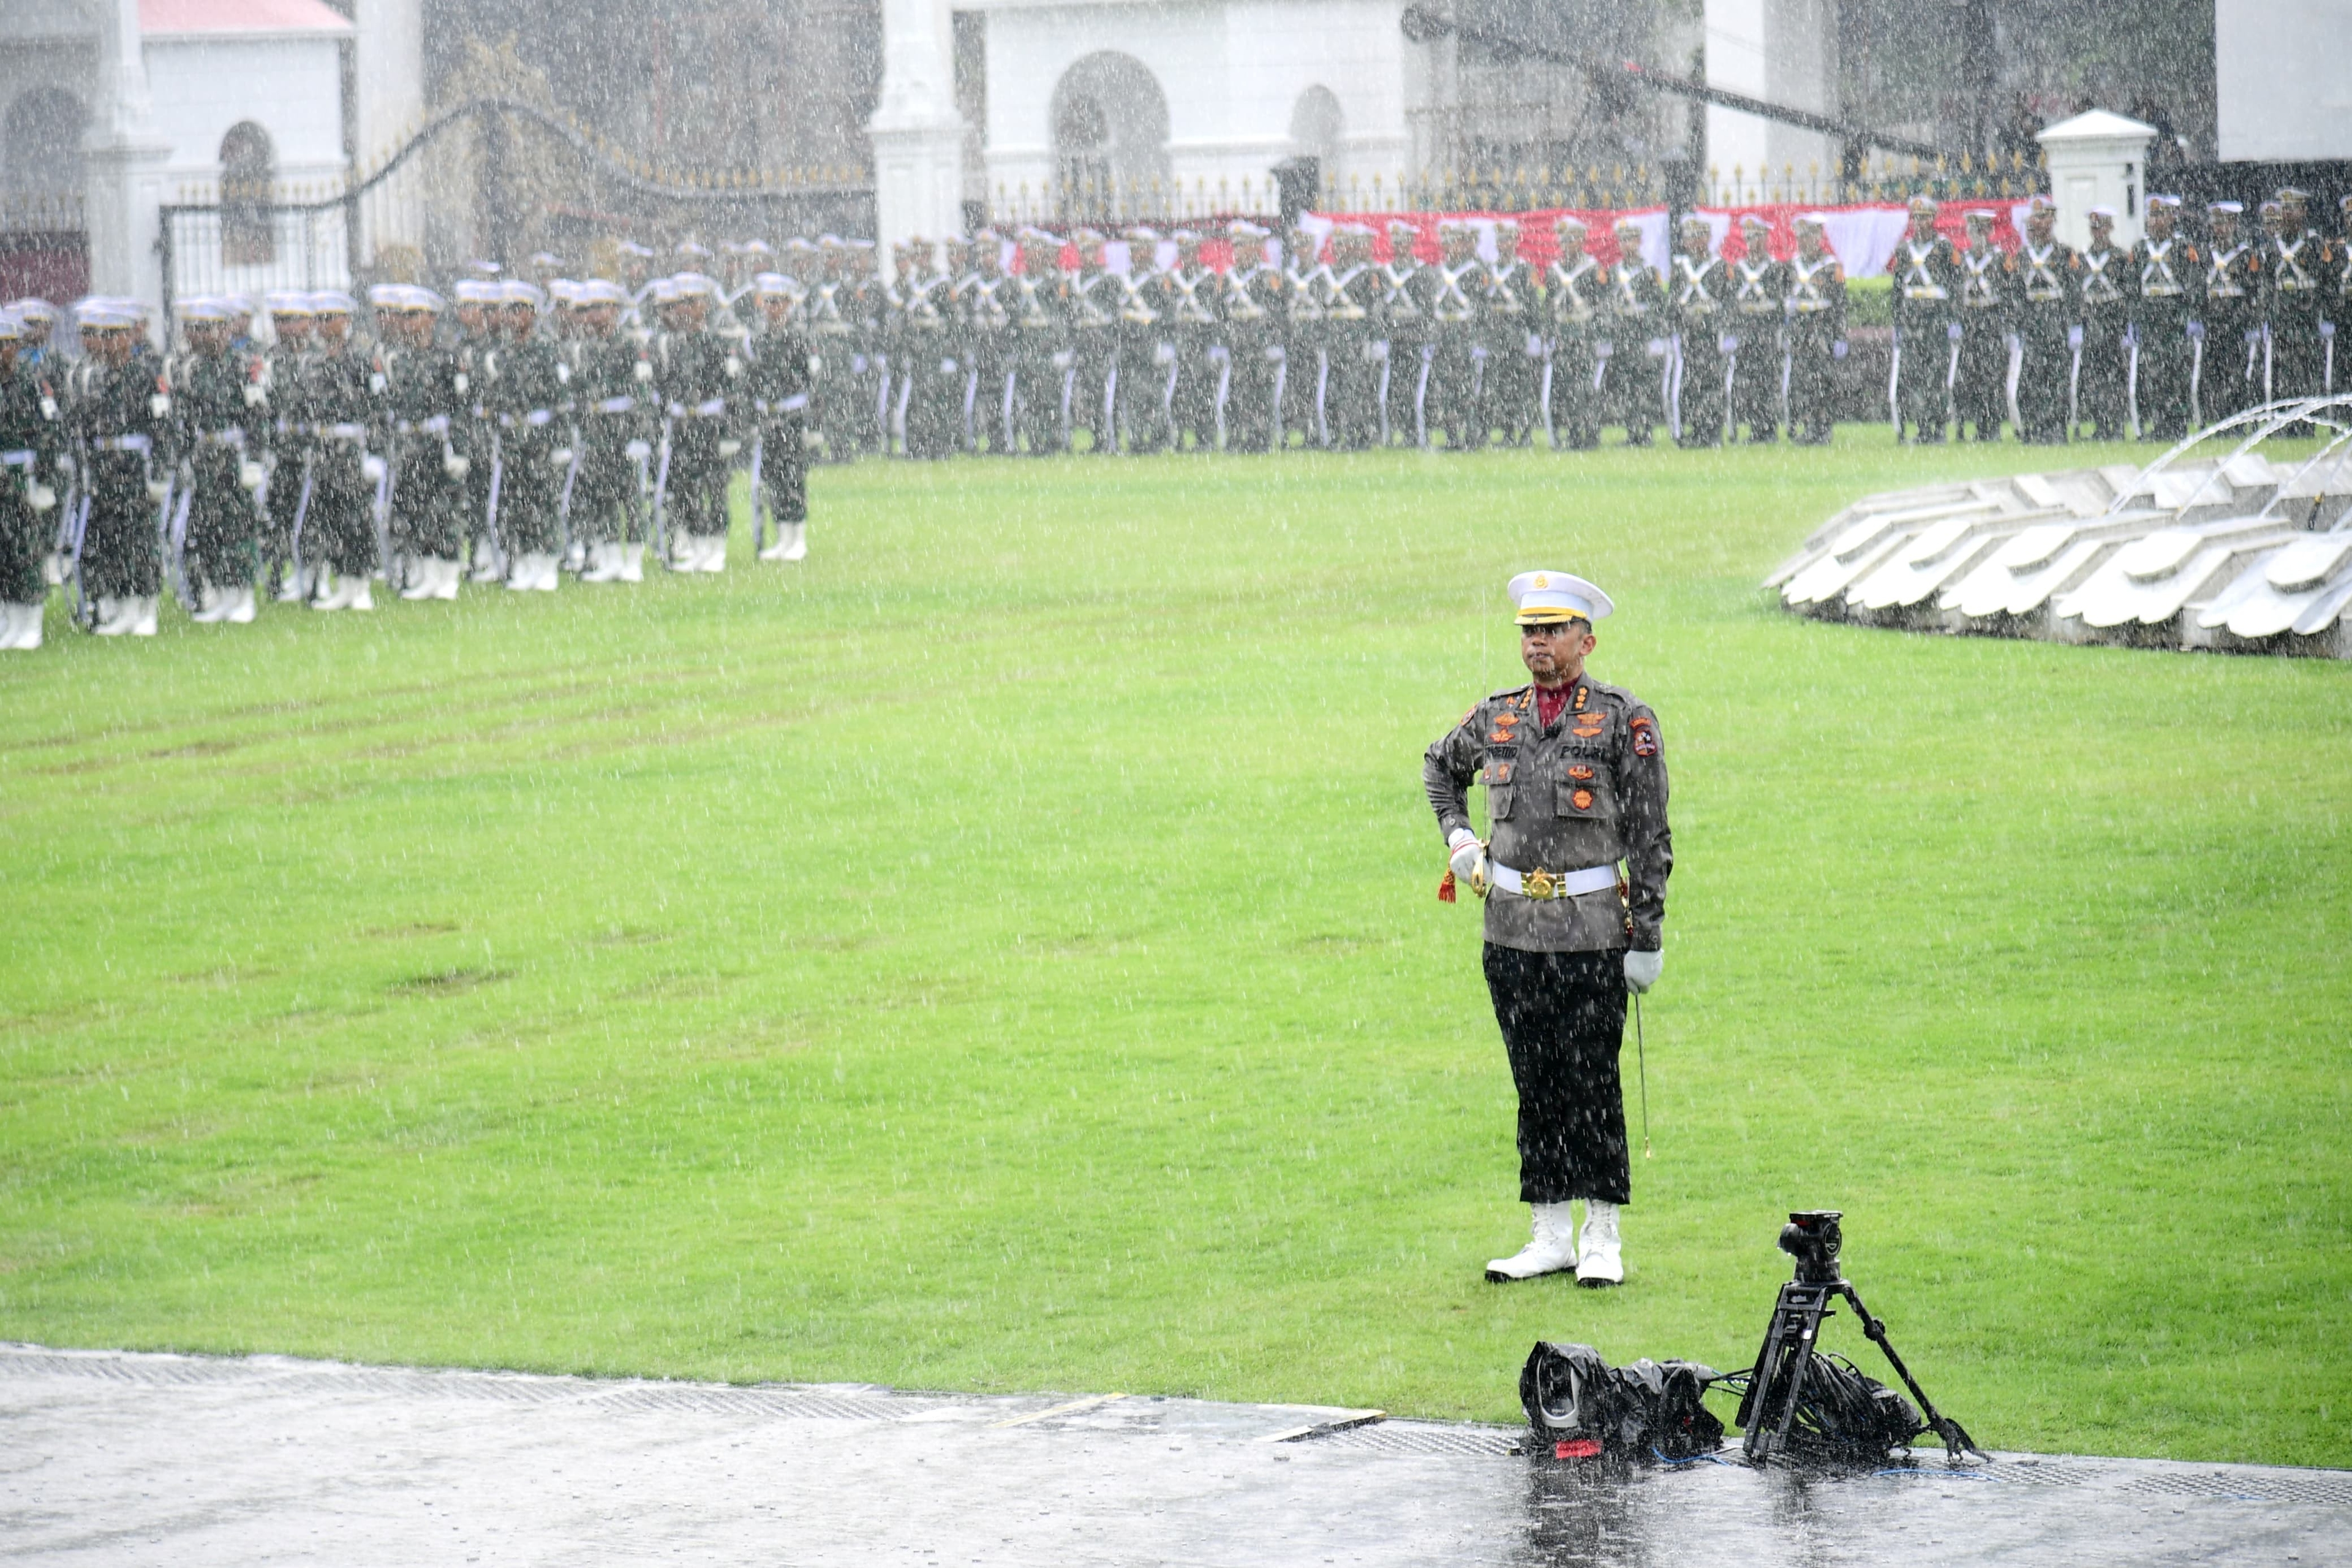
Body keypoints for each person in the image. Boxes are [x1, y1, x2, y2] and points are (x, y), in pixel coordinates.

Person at [1423, 571, 1672, 1287]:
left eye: (1553, 629)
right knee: (1534, 1082)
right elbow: (1441, 767)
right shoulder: (1497, 718)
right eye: (1529, 631)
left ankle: (1603, 1234)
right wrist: (1460, 839)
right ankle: (1549, 1231)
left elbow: (1652, 836)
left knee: (1593, 1084)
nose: (1537, 642)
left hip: (1593, 932)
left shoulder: (1625, 719)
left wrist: (1647, 935)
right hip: (1510, 934)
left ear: (1585, 640)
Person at [63, 300, 171, 635]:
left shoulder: (146, 376)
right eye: (103, 336)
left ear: (129, 337)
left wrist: (159, 473)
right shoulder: (92, 378)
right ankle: (125, 608)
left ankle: (147, 609)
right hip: (104, 468)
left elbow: (162, 427)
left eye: (115, 336)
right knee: (113, 541)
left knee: (142, 539)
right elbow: (80, 427)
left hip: (135, 467)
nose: (109, 343)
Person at [170, 296, 269, 621]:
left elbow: (257, 418)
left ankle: (242, 597)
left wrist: (254, 460)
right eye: (195, 329)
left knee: (239, 528)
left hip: (234, 456)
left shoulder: (244, 366)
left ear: (226, 330)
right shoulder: (186, 369)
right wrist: (181, 459)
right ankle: (220, 595)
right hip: (203, 457)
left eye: (209, 329)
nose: (202, 336)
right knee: (208, 529)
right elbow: (180, 420)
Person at [650, 273, 741, 572]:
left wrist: (731, 433)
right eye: (681, 303)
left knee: (714, 488)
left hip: (710, 425)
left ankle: (716, 545)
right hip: (682, 427)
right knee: (686, 487)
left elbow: (732, 392)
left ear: (704, 306)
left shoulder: (718, 343)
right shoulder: (672, 346)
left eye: (692, 303)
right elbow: (664, 389)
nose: (685, 310)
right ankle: (696, 542)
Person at [566, 279, 655, 582]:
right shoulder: (586, 349)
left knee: (630, 497)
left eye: (600, 308)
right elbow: (578, 395)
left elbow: (643, 394)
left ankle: (632, 560)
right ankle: (609, 558)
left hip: (623, 429)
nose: (593, 315)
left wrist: (642, 435)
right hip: (596, 431)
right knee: (599, 497)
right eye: (589, 309)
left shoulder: (631, 345)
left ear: (615, 311)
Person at [302, 291, 378, 611]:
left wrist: (374, 453)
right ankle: (343, 583)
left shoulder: (361, 359)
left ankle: (361, 585)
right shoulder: (313, 361)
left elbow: (376, 408)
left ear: (346, 320)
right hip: (325, 450)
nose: (324, 325)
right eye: (320, 319)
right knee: (330, 519)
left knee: (357, 519)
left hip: (352, 449)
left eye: (331, 318)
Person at [0, 310, 64, 649]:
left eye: (5, 346)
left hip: (23, 477)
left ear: (16, 347)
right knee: (3, 554)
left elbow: (51, 434)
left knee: (26, 551)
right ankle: (11, 622)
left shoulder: (33, 383)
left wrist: (47, 483)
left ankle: (31, 624)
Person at [746, 273, 813, 560]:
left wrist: (815, 424)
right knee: (774, 477)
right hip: (769, 417)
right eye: (769, 302)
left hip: (792, 415)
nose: (773, 308)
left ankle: (798, 538)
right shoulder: (758, 339)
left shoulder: (798, 337)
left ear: (788, 304)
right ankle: (783, 537)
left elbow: (812, 382)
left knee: (793, 476)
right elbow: (752, 383)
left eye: (778, 302)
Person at [2008, 195, 2079, 444]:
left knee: (2056, 376)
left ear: (2051, 220)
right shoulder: (2022, 256)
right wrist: (2016, 325)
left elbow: (2073, 291)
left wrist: (2074, 324)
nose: (2036, 223)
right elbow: (2015, 293)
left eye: (2042, 217)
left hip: (2056, 320)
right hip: (2032, 322)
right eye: (2034, 218)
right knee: (2032, 377)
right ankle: (2035, 426)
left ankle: (2056, 427)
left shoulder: (2064, 253)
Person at [1887, 196, 1958, 442]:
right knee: (1914, 376)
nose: (1920, 222)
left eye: (1925, 217)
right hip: (1912, 320)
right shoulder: (1904, 250)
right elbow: (1897, 289)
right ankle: (1921, 427)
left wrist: (1954, 320)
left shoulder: (1945, 247)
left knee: (1936, 375)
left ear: (1933, 219)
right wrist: (1897, 321)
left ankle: (1937, 428)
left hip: (1936, 320)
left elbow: (1955, 286)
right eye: (1916, 218)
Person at [2130, 195, 2200, 442]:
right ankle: (2160, 425)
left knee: (2177, 374)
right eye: (2152, 215)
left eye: (2161, 215)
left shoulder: (2184, 248)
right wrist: (2134, 319)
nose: (2155, 221)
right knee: (2153, 375)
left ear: (2172, 218)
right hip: (2151, 319)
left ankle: (2177, 425)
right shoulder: (2139, 249)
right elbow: (2132, 288)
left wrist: (2192, 317)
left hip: (2176, 318)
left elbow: (2194, 285)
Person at [1219, 221, 1285, 453]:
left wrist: (1273, 341)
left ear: (1257, 247)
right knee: (1237, 395)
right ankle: (1237, 436)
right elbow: (1221, 313)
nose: (1240, 251)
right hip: (1238, 345)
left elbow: (1278, 312)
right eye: (1237, 246)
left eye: (1245, 245)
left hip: (1259, 345)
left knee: (1260, 394)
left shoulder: (1268, 276)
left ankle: (1261, 437)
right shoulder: (1228, 277)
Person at [1782, 214, 1847, 447]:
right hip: (1800, 333)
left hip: (1823, 332)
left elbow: (1840, 305)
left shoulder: (1831, 267)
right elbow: (1784, 298)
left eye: (1809, 236)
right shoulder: (1791, 266)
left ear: (1819, 237)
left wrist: (1840, 336)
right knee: (1802, 383)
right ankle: (1809, 425)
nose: (1805, 241)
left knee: (1824, 382)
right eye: (1801, 237)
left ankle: (1824, 427)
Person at [1542, 216, 1604, 451]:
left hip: (1583, 333)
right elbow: (1549, 305)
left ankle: (1589, 434)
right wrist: (1547, 333)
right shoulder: (1554, 270)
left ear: (1582, 240)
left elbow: (1599, 304)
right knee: (1563, 389)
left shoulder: (1592, 269)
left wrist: (1597, 334)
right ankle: (1571, 433)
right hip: (1562, 334)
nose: (1568, 244)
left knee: (1584, 388)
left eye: (1573, 239)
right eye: (1565, 240)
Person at [1604, 220, 1667, 446]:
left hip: (1641, 336)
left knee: (1644, 386)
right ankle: (1632, 431)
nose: (1626, 244)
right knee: (1626, 387)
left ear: (1639, 242)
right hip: (1622, 335)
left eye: (1630, 240)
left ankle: (1646, 431)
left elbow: (1659, 305)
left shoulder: (1649, 272)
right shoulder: (1613, 272)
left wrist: (1652, 329)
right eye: (1623, 240)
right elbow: (1607, 304)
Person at [1668, 216, 1728, 447]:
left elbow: (1726, 300)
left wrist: (1716, 321)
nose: (1695, 241)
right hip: (1688, 335)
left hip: (1710, 334)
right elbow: (1673, 301)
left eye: (1699, 236)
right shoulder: (1680, 267)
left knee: (1712, 383)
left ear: (1708, 238)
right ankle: (1694, 428)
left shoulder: (1719, 266)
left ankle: (1712, 431)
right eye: (1690, 237)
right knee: (1690, 385)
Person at [1726, 216, 1786, 443]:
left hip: (1767, 333)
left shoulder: (1775, 268)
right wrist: (1731, 331)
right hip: (1745, 333)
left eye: (1758, 237)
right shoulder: (1738, 270)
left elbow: (1781, 303)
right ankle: (1754, 428)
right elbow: (1731, 303)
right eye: (1750, 237)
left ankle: (1768, 429)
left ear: (1766, 237)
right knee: (1746, 384)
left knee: (1768, 383)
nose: (1754, 242)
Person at [2199, 202, 2261, 423]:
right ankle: (2214, 419)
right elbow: (2198, 289)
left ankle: (2236, 421)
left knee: (2236, 373)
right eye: (2216, 223)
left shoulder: (2246, 255)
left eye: (2224, 223)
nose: (2220, 228)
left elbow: (2254, 290)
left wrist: (2250, 318)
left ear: (2234, 224)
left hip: (2237, 323)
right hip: (2212, 322)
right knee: (2211, 373)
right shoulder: (2205, 254)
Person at [1951, 209, 2010, 442]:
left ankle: (1992, 427)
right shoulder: (1962, 258)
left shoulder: (2000, 258)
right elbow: (1956, 292)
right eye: (1974, 230)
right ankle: (1975, 425)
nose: (1978, 235)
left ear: (1990, 231)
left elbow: (2009, 293)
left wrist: (2007, 325)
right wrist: (1956, 321)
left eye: (1983, 230)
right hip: (1969, 322)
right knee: (1969, 378)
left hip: (1991, 320)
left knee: (1991, 377)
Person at [1483, 220, 1540, 447]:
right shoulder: (1490, 270)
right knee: (1502, 389)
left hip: (1518, 335)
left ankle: (1525, 434)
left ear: (1516, 242)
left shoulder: (1525, 270)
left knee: (1523, 389)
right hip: (1497, 337)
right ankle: (1507, 434)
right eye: (1501, 240)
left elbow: (1533, 304)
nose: (1504, 244)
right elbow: (1483, 304)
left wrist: (1535, 334)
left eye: (1508, 240)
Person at [2077, 206, 2132, 440]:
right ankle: (2101, 424)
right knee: (2094, 376)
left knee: (2117, 375)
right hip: (2091, 321)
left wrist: (2128, 324)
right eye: (2094, 226)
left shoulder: (2121, 256)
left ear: (2110, 228)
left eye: (2102, 226)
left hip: (2113, 321)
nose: (2097, 231)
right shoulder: (2081, 257)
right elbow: (2076, 292)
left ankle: (2118, 425)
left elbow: (2129, 291)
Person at [1428, 222, 1484, 450]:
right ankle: (1452, 438)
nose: (1454, 247)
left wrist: (1477, 335)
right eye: (1449, 243)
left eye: (1457, 242)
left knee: (1467, 389)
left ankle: (1471, 436)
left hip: (1464, 332)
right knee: (1447, 390)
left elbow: (1480, 305)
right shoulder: (1439, 271)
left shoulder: (1474, 270)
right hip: (1444, 334)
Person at [1376, 219, 1430, 447]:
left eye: (1404, 241)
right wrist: (1380, 335)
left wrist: (1427, 337)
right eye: (1396, 241)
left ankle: (1414, 434)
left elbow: (1427, 308)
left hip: (1414, 338)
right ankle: (1395, 433)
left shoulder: (1420, 271)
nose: (1400, 246)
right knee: (1393, 391)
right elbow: (1379, 309)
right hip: (1394, 339)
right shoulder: (1385, 272)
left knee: (1415, 390)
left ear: (1411, 242)